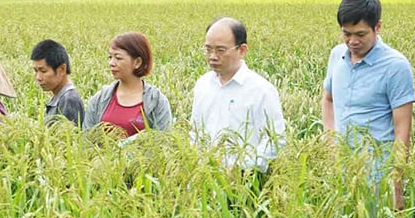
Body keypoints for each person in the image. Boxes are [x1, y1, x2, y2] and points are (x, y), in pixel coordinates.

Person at [322, 0, 415, 208]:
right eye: (346, 34)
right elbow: (328, 99)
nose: (352, 41)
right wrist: (329, 138)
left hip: (378, 174)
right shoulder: (337, 56)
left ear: (378, 27)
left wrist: (396, 184)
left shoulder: (396, 66)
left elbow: (402, 130)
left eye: (360, 34)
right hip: (341, 170)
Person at [190, 16, 285, 173]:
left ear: (242, 50)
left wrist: (242, 170)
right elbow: (195, 132)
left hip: (245, 180)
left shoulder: (261, 90)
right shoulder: (202, 84)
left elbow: (274, 141)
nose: (212, 56)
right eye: (208, 49)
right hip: (203, 178)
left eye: (220, 50)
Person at [83, 32, 173, 137]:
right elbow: (86, 138)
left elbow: (163, 141)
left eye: (118, 58)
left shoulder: (156, 101)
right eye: (110, 57)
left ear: (137, 62)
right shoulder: (100, 99)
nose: (111, 63)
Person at [31, 39, 84, 127]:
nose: (38, 77)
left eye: (43, 71)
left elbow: (69, 134)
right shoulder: (60, 97)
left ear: (62, 69)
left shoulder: (68, 100)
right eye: (35, 71)